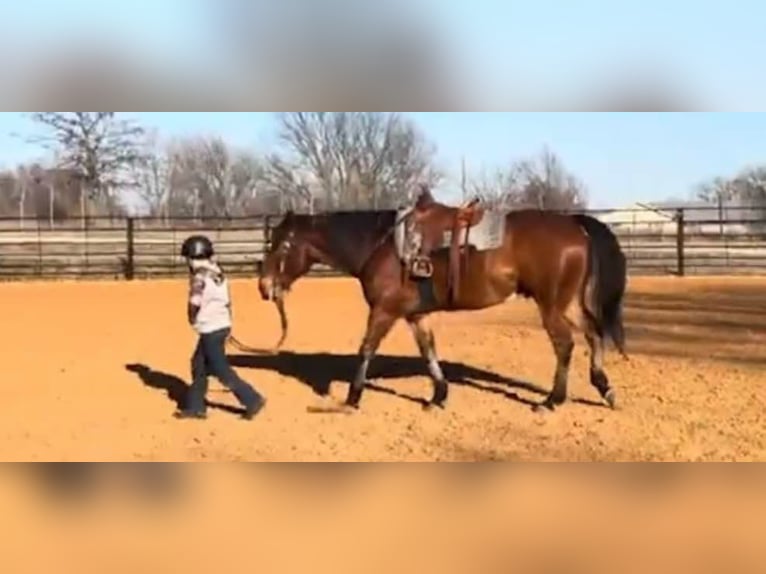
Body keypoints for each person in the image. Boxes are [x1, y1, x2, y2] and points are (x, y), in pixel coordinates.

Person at [174, 235, 266, 421]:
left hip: (210, 328)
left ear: (192, 257)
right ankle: (196, 406)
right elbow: (226, 300)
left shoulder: (199, 276)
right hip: (221, 324)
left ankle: (252, 399)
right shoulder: (217, 272)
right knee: (198, 364)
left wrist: (191, 317)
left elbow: (195, 302)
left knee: (220, 368)